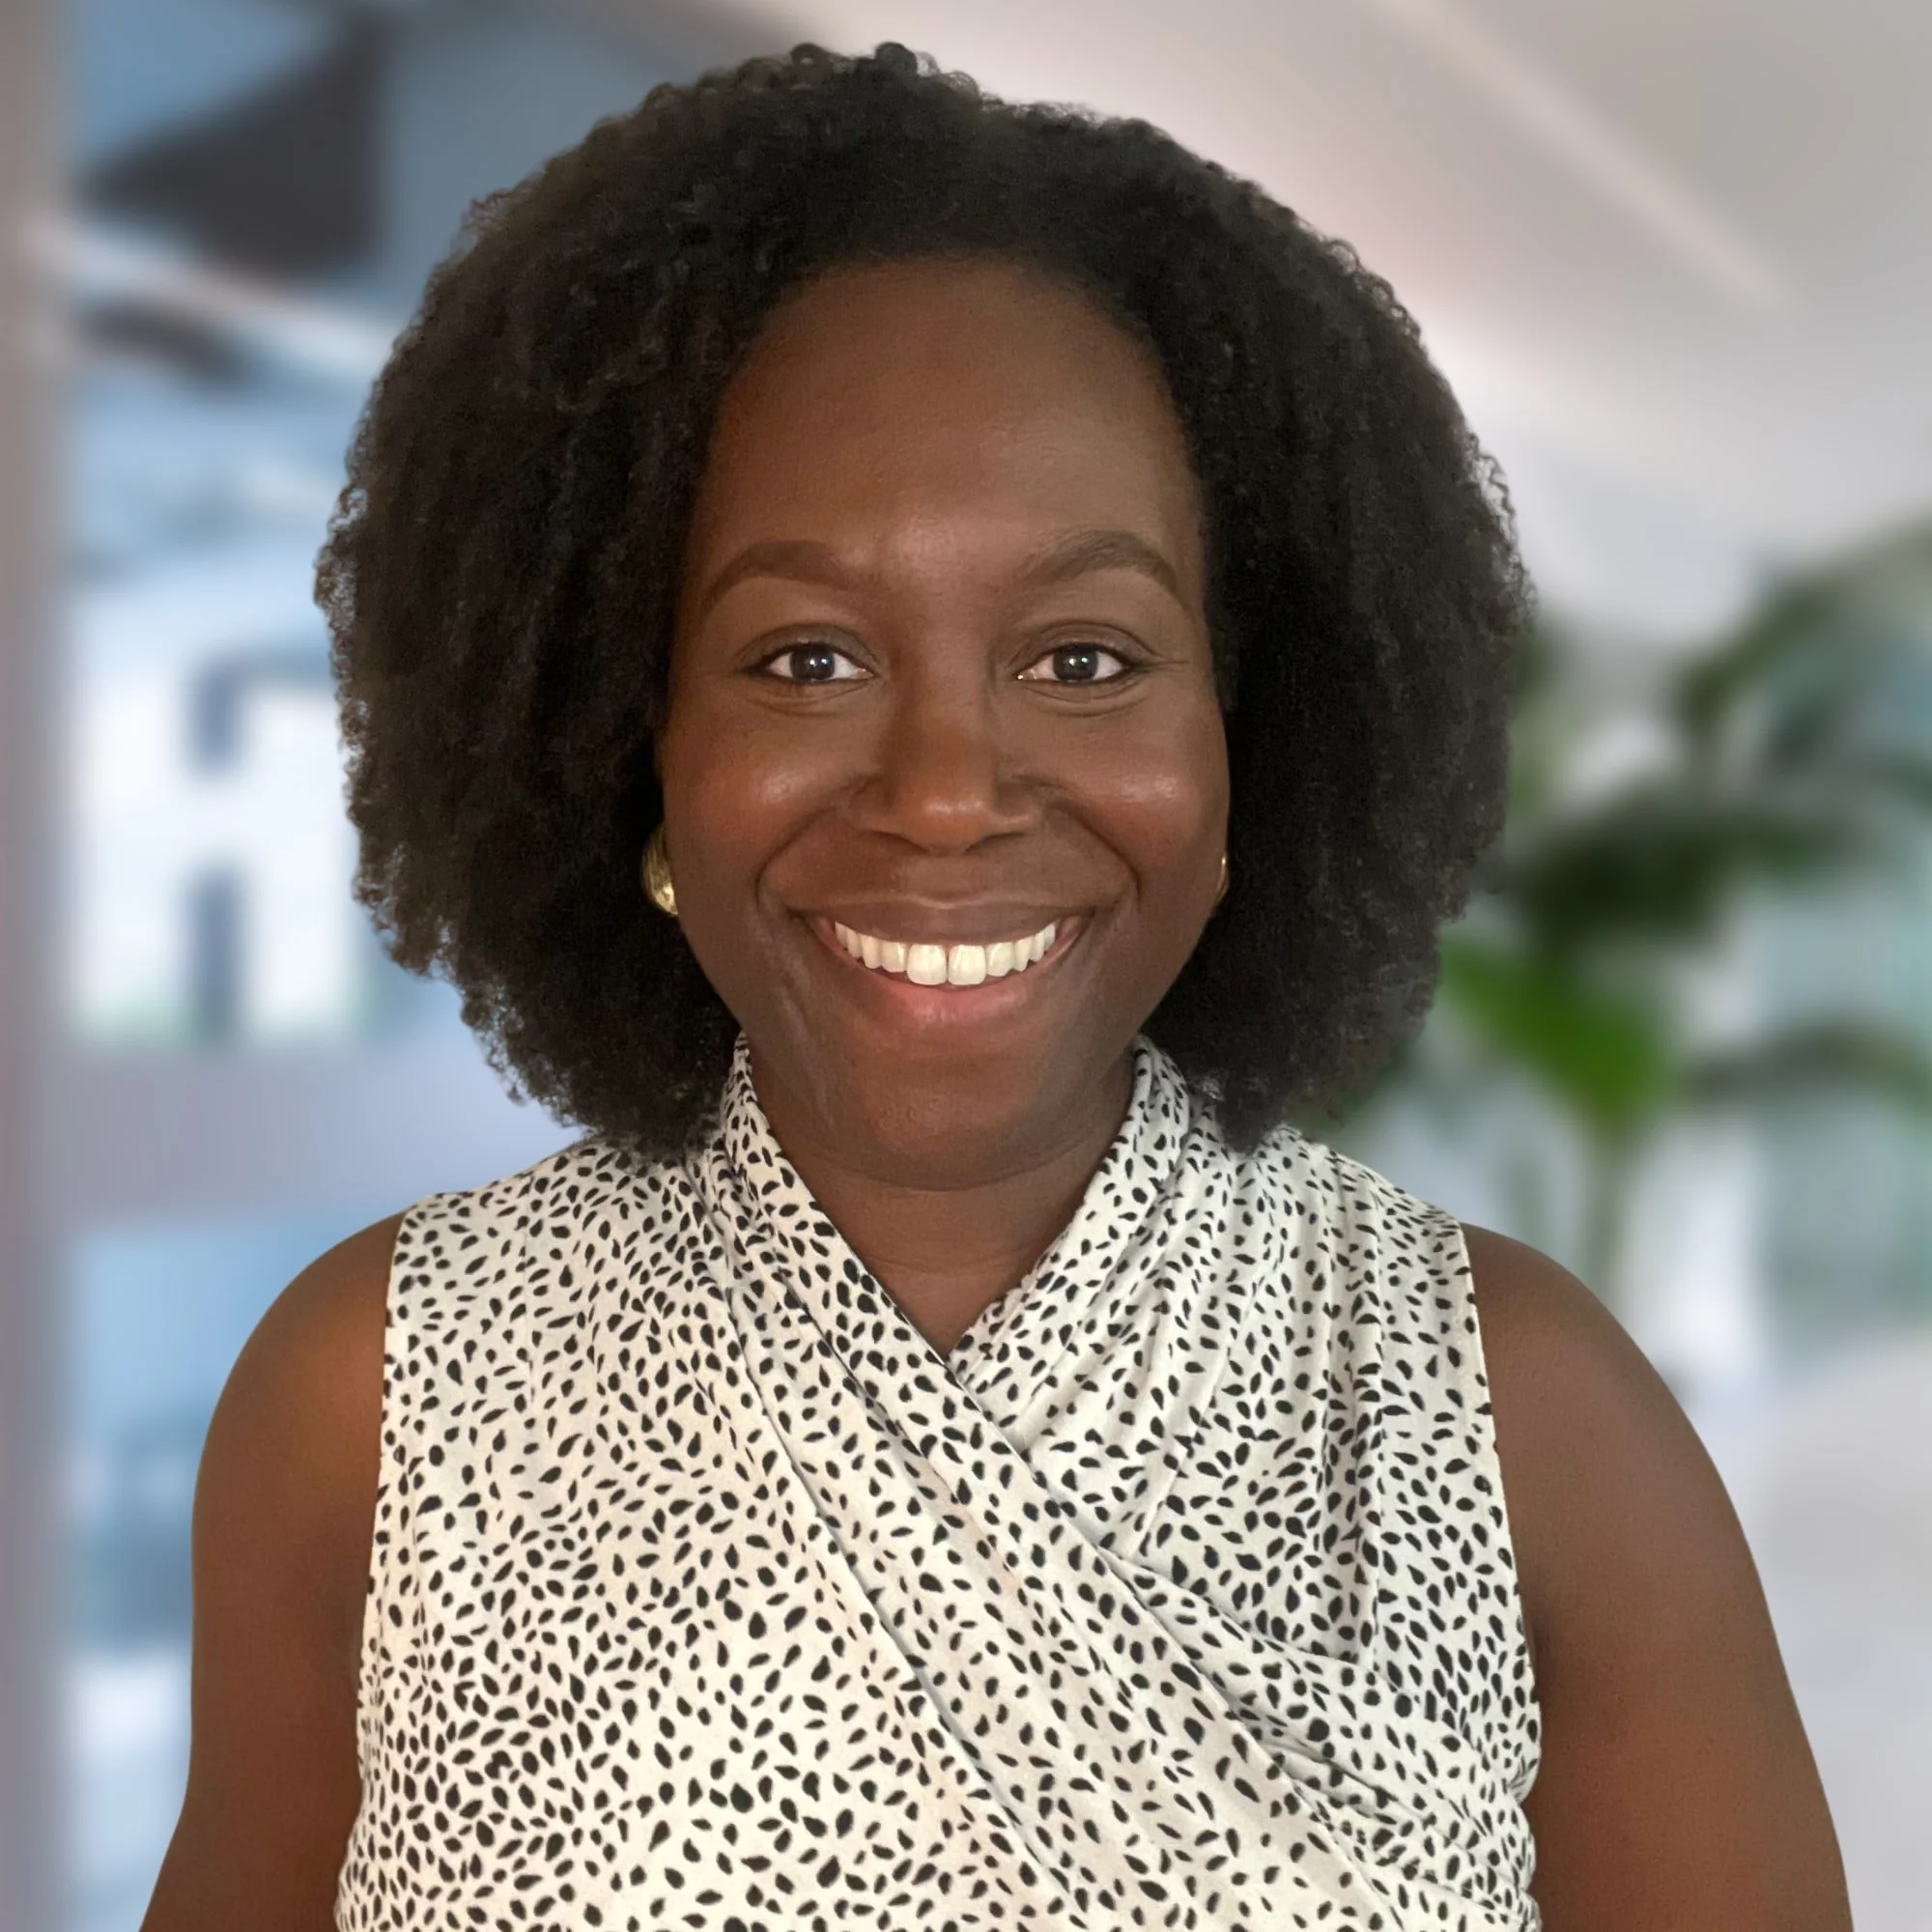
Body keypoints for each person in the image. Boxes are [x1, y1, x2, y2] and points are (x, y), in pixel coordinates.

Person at [142, 42, 1851, 1932]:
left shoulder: (1522, 1420)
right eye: (801, 659)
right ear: (624, 741)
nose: (945, 793)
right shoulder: (375, 1398)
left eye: (1084, 657)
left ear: (1249, 737)